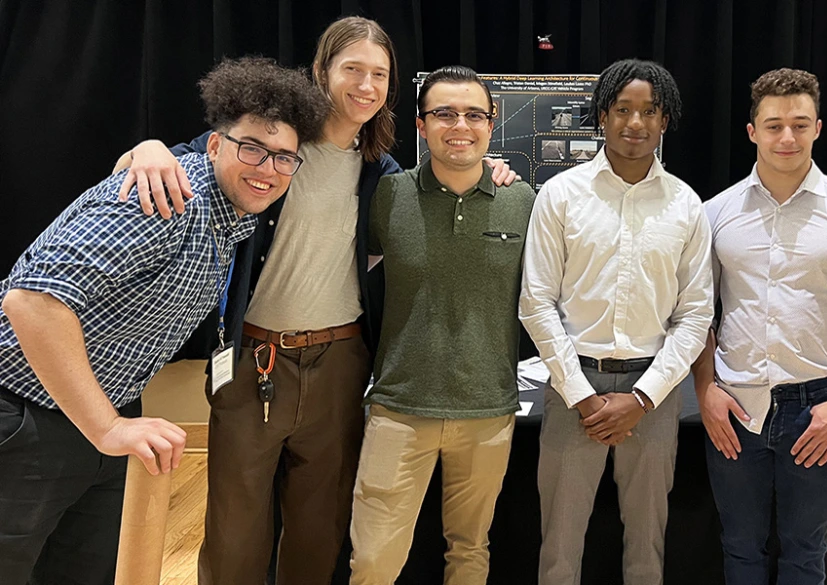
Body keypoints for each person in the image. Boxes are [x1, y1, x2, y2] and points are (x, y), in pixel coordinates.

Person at [114, 18, 515, 584]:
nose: (366, 86)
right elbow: (200, 153)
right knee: (235, 522)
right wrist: (150, 146)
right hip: (252, 360)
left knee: (320, 524)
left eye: (379, 74)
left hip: (340, 361)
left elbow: (452, 182)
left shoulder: (383, 174)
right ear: (321, 72)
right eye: (352, 69)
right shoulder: (274, 149)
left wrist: (493, 169)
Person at [0, 56, 323, 585]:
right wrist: (105, 426)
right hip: (25, 418)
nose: (268, 169)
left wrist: (109, 426)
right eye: (253, 149)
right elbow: (32, 302)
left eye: (285, 158)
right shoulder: (167, 200)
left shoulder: (230, 220)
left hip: (103, 418)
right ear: (214, 145)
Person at [693, 68, 827, 585]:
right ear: (752, 132)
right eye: (774, 125)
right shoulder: (713, 214)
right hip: (734, 406)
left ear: (818, 128)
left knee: (807, 553)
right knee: (739, 548)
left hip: (818, 406)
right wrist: (705, 391)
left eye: (799, 125)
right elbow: (695, 312)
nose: (787, 137)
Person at [519, 58, 714, 585]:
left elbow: (696, 314)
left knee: (647, 543)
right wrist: (581, 395)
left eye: (649, 111)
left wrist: (643, 397)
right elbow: (536, 303)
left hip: (654, 389)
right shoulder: (561, 195)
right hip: (571, 387)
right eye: (623, 109)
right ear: (602, 116)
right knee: (559, 542)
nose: (636, 122)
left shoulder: (686, 206)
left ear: (665, 120)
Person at [348, 65, 536, 585]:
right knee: (372, 561)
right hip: (398, 409)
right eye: (445, 113)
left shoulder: (522, 201)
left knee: (471, 551)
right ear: (421, 123)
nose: (460, 125)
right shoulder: (387, 196)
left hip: (487, 410)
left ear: (492, 124)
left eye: (474, 114)